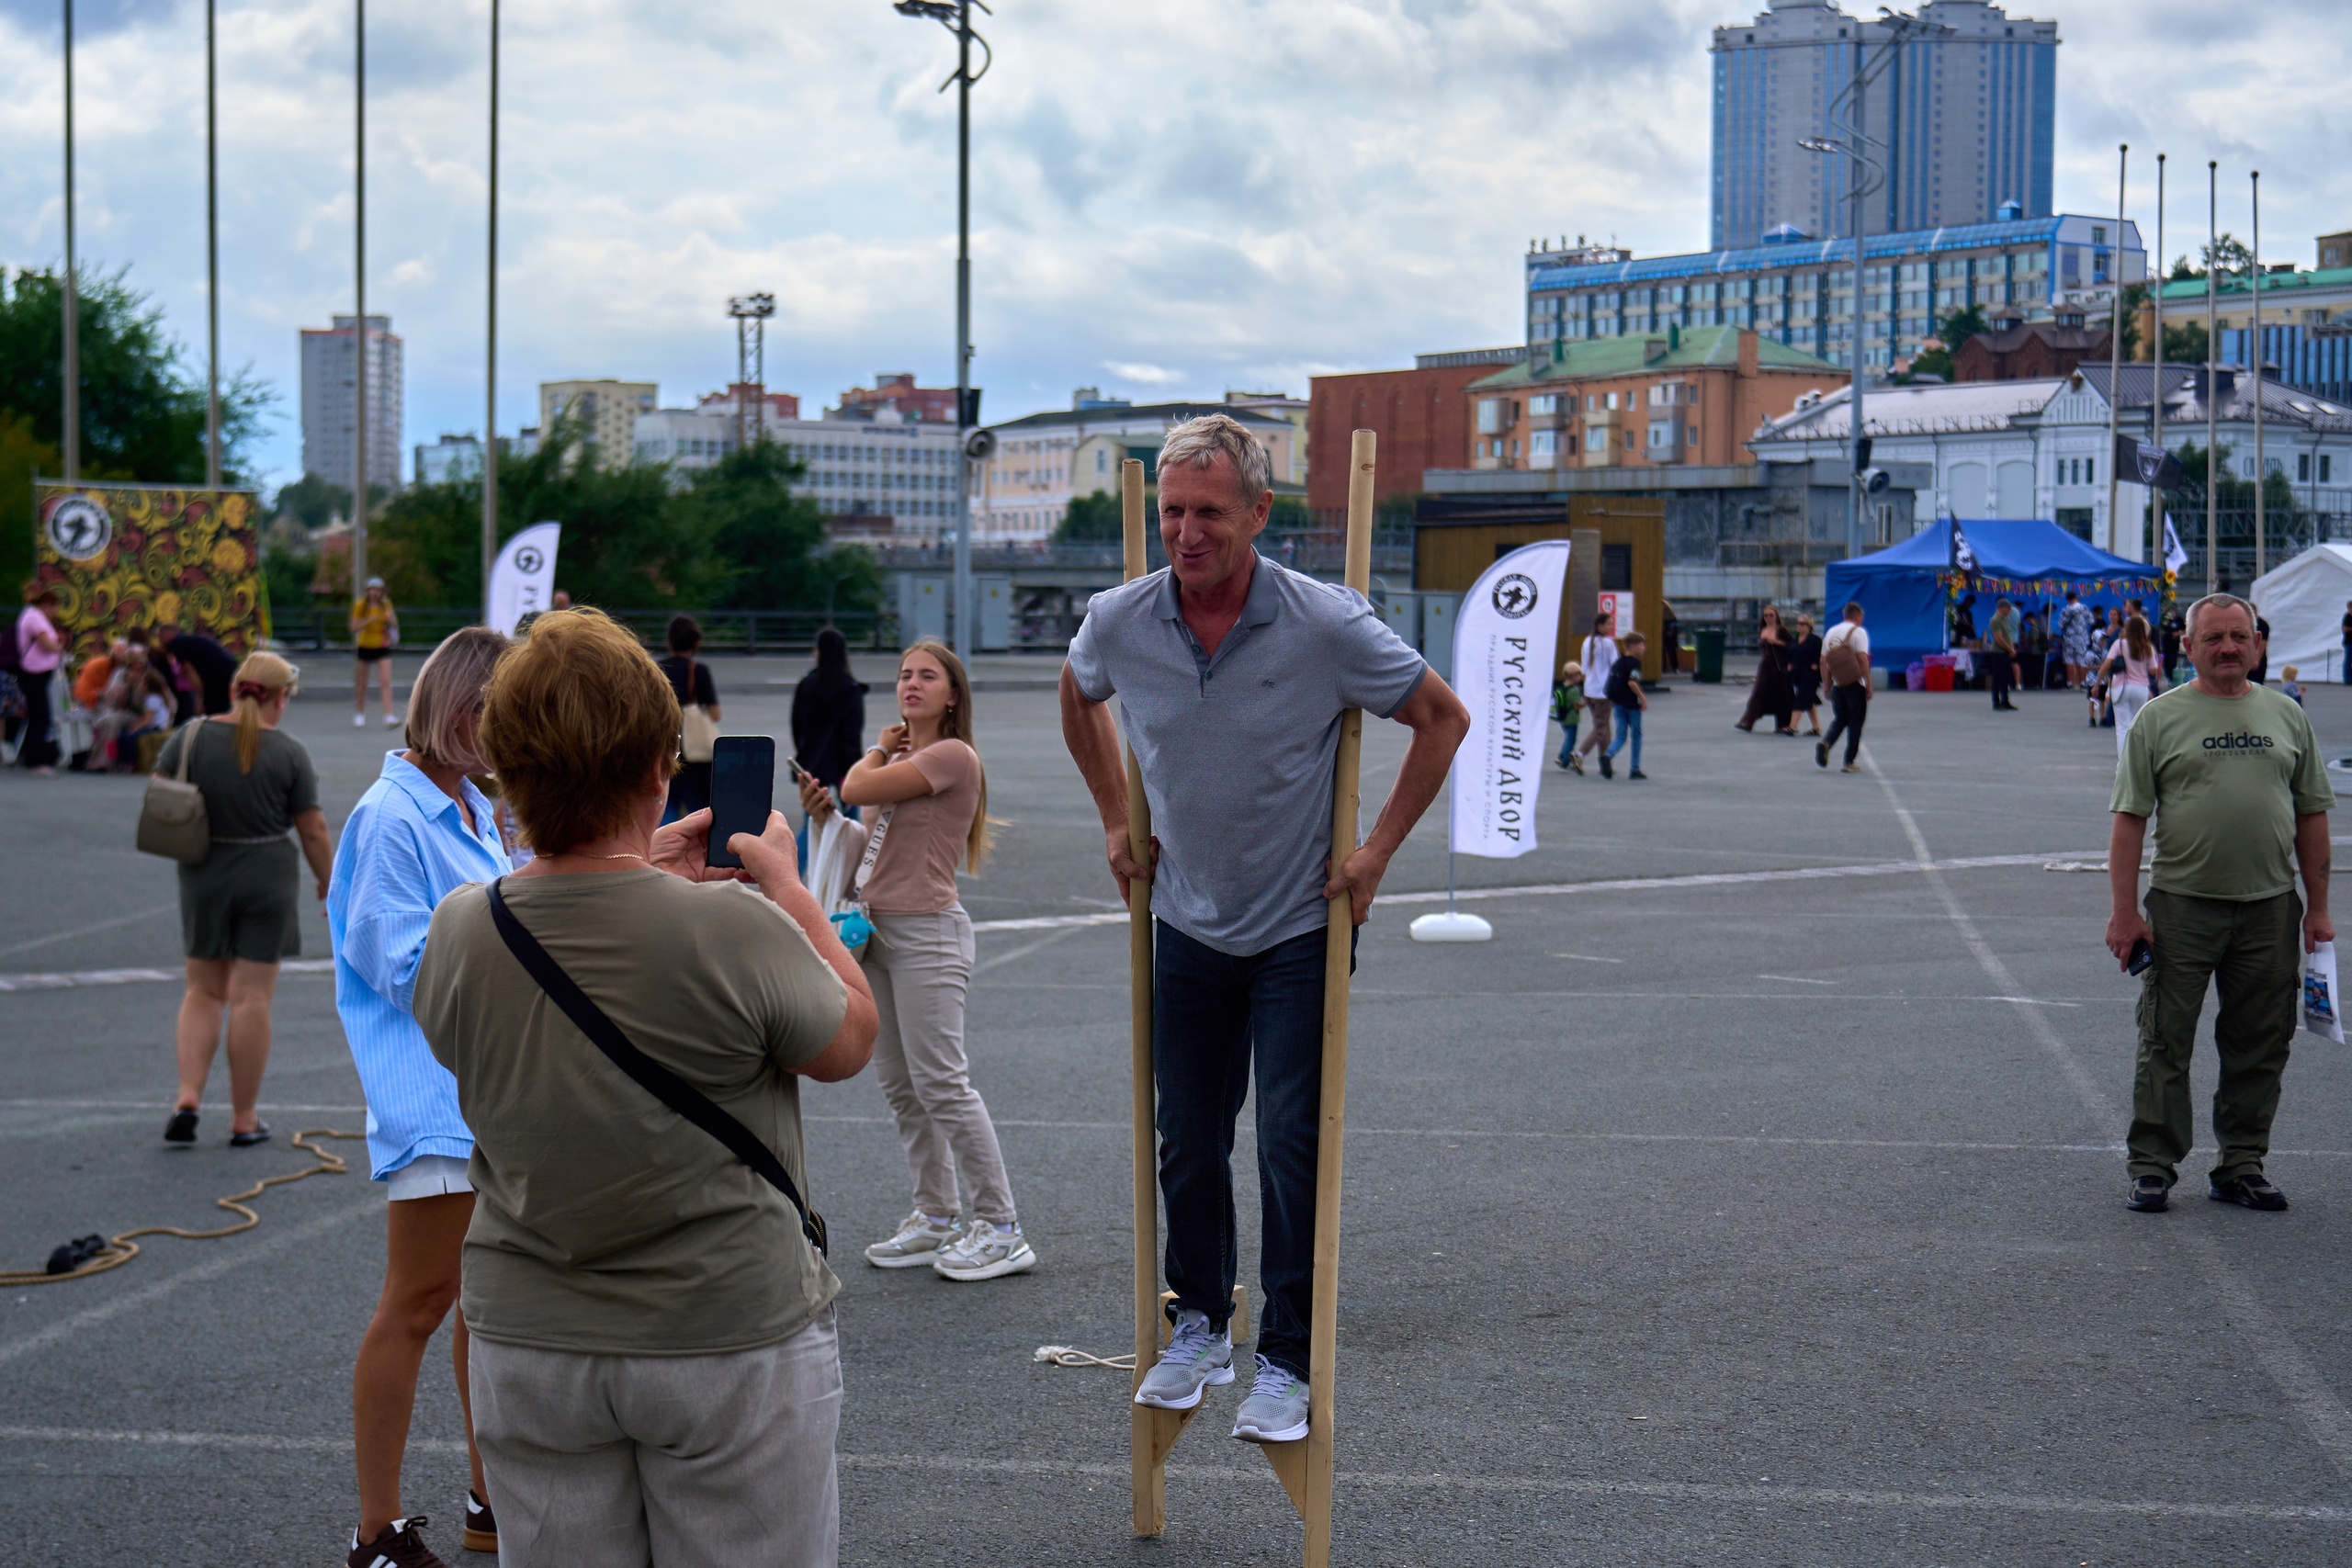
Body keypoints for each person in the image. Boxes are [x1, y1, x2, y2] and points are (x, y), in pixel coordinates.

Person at [412, 607, 876, 1568]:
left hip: (532, 1335)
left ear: (504, 767)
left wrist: (622, 876)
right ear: (659, 767)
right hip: (721, 1329)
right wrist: (789, 893)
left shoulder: (462, 927)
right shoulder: (731, 931)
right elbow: (849, 1039)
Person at [1058, 413, 1467, 1445]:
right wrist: (1115, 817)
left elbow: (1441, 718)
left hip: (1296, 925)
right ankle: (1199, 1321)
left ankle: (1285, 1357)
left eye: (1208, 514)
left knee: (1291, 1143)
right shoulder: (1120, 619)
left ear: (1257, 513)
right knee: (1185, 1138)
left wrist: (1374, 853)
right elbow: (1077, 694)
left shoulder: (1323, 622)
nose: (1186, 534)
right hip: (1186, 918)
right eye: (1171, 512)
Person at [327, 627, 514, 1568]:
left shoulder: (470, 804)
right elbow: (401, 965)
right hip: (434, 1094)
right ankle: (377, 1530)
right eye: (510, 713)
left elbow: (508, 914)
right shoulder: (392, 816)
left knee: (480, 1302)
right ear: (464, 712)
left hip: (479, 1088)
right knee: (419, 1302)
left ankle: (488, 1494)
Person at [801, 640, 1030, 1280]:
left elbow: (858, 782)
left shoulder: (951, 755)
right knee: (903, 1086)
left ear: (953, 695)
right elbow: (868, 834)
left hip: (929, 932)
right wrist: (827, 818)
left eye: (928, 675)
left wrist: (874, 749)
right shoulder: (905, 760)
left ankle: (1003, 1225)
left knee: (943, 1084)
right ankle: (935, 1216)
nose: (911, 683)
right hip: (878, 931)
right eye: (904, 674)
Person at [2107, 594, 2335, 1215]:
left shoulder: (2287, 716)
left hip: (2269, 909)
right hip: (2182, 907)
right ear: (2188, 647)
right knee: (2164, 1038)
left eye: (2240, 635)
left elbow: (2312, 813)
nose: (2229, 646)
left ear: (2258, 643)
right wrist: (2125, 912)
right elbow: (2129, 821)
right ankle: (2153, 1164)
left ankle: (2241, 1163)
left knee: (2262, 1040)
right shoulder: (2159, 718)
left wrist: (2317, 908)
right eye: (2214, 638)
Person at [158, 652, 334, 1148]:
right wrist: (328, 881)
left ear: (235, 688)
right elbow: (313, 829)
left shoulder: (189, 737)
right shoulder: (290, 752)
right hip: (267, 876)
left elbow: (162, 796)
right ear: (280, 698)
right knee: (251, 998)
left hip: (204, 873)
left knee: (202, 992)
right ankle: (244, 1117)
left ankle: (188, 1096)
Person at [656, 614, 720, 821]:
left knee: (666, 807)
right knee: (698, 812)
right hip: (695, 755)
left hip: (665, 747)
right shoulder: (698, 671)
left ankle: (662, 851)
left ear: (670, 640)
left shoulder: (656, 669)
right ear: (695, 642)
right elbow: (715, 714)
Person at [792, 626, 867, 796]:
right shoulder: (851, 687)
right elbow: (853, 730)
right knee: (850, 818)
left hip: (813, 759)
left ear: (818, 652)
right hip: (844, 762)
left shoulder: (806, 685)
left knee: (812, 817)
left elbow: (797, 726)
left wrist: (804, 750)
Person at [2096, 614, 2164, 755]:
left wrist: (2097, 684)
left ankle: (2123, 762)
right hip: (2141, 688)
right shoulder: (2148, 647)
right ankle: (2136, 758)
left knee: (2122, 726)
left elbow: (2106, 665)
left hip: (2121, 687)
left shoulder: (2119, 644)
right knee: (2136, 725)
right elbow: (2153, 670)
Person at [1815, 601, 1871, 773]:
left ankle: (1826, 743)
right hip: (1855, 684)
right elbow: (1862, 659)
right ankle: (1849, 761)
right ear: (1857, 616)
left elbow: (1823, 661)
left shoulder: (1831, 632)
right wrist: (1868, 683)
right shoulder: (1859, 632)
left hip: (1838, 684)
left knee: (1840, 719)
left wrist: (1827, 686)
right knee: (1856, 722)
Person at [15, 581, 64, 774]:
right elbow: (46, 644)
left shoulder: (29, 615)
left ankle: (29, 754)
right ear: (46, 605)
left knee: (37, 715)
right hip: (35, 672)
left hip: (35, 672)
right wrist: (59, 648)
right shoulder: (35, 617)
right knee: (41, 716)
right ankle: (38, 761)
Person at [1735, 604, 1795, 734]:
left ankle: (1783, 724)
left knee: (1782, 695)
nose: (1768, 618)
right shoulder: (1762, 629)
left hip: (1779, 666)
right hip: (1765, 666)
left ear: (1776, 617)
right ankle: (1747, 721)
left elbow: (1792, 645)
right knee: (1758, 692)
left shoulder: (1781, 630)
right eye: (1766, 615)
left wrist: (1777, 642)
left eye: (1771, 615)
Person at [157, 619, 238, 717]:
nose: (160, 642)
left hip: (218, 675)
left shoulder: (176, 644)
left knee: (214, 713)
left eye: (160, 637)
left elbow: (190, 671)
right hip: (229, 670)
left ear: (167, 634)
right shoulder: (190, 640)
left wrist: (202, 697)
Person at [352, 577, 401, 728]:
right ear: (368, 591)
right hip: (365, 645)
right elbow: (353, 627)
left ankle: (388, 716)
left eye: (378, 590)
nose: (375, 593)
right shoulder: (361, 605)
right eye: (372, 589)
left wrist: (388, 615)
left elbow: (394, 623)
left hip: (381, 644)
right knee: (362, 683)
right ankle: (359, 713)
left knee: (385, 681)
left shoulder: (385, 604)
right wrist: (368, 620)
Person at [1600, 633, 1648, 780]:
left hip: (1618, 703)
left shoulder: (1619, 662)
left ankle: (1608, 755)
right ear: (1633, 646)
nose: (1644, 648)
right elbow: (1632, 682)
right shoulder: (1634, 663)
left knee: (1621, 735)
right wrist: (1642, 698)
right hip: (1631, 704)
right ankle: (1634, 769)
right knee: (1636, 735)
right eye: (1641, 645)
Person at [1572, 612, 1616, 769]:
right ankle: (1580, 753)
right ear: (1600, 626)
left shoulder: (1587, 642)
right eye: (1608, 624)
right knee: (1601, 728)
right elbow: (1615, 666)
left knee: (1604, 726)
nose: (1611, 627)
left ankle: (1605, 762)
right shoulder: (1608, 644)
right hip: (1603, 691)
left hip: (1590, 689)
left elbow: (1584, 668)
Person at [1786, 614, 1824, 735]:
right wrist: (1789, 664)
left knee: (1801, 699)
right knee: (1809, 700)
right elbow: (1790, 653)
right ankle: (1816, 728)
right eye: (1798, 623)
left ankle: (1792, 727)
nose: (1799, 626)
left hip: (1810, 675)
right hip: (1797, 674)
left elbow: (1821, 656)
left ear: (1809, 626)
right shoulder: (1795, 640)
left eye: (1802, 624)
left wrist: (1816, 665)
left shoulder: (1815, 640)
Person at [1985, 597, 2020, 711]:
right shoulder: (1995, 620)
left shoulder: (2004, 619)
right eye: (2008, 608)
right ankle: (1996, 702)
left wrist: (2011, 649)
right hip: (1998, 652)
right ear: (2001, 608)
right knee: (1998, 678)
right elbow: (1999, 638)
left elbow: (2007, 636)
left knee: (2006, 678)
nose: (2010, 610)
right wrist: (2010, 649)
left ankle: (2005, 701)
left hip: (2006, 651)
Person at [2057, 589, 2096, 689]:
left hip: (2069, 638)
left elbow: (2060, 626)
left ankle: (2071, 683)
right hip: (2082, 638)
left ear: (2067, 599)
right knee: (2081, 660)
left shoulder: (2065, 610)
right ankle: (2082, 682)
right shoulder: (2084, 608)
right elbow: (2091, 621)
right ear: (2076, 598)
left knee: (2069, 661)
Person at [1552, 658, 1584, 773]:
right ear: (1573, 676)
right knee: (1571, 740)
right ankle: (1565, 761)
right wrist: (1586, 703)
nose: (1580, 677)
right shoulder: (1574, 690)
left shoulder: (1562, 687)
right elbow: (1576, 706)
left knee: (1567, 738)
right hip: (1571, 719)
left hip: (1563, 718)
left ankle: (1561, 756)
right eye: (1579, 675)